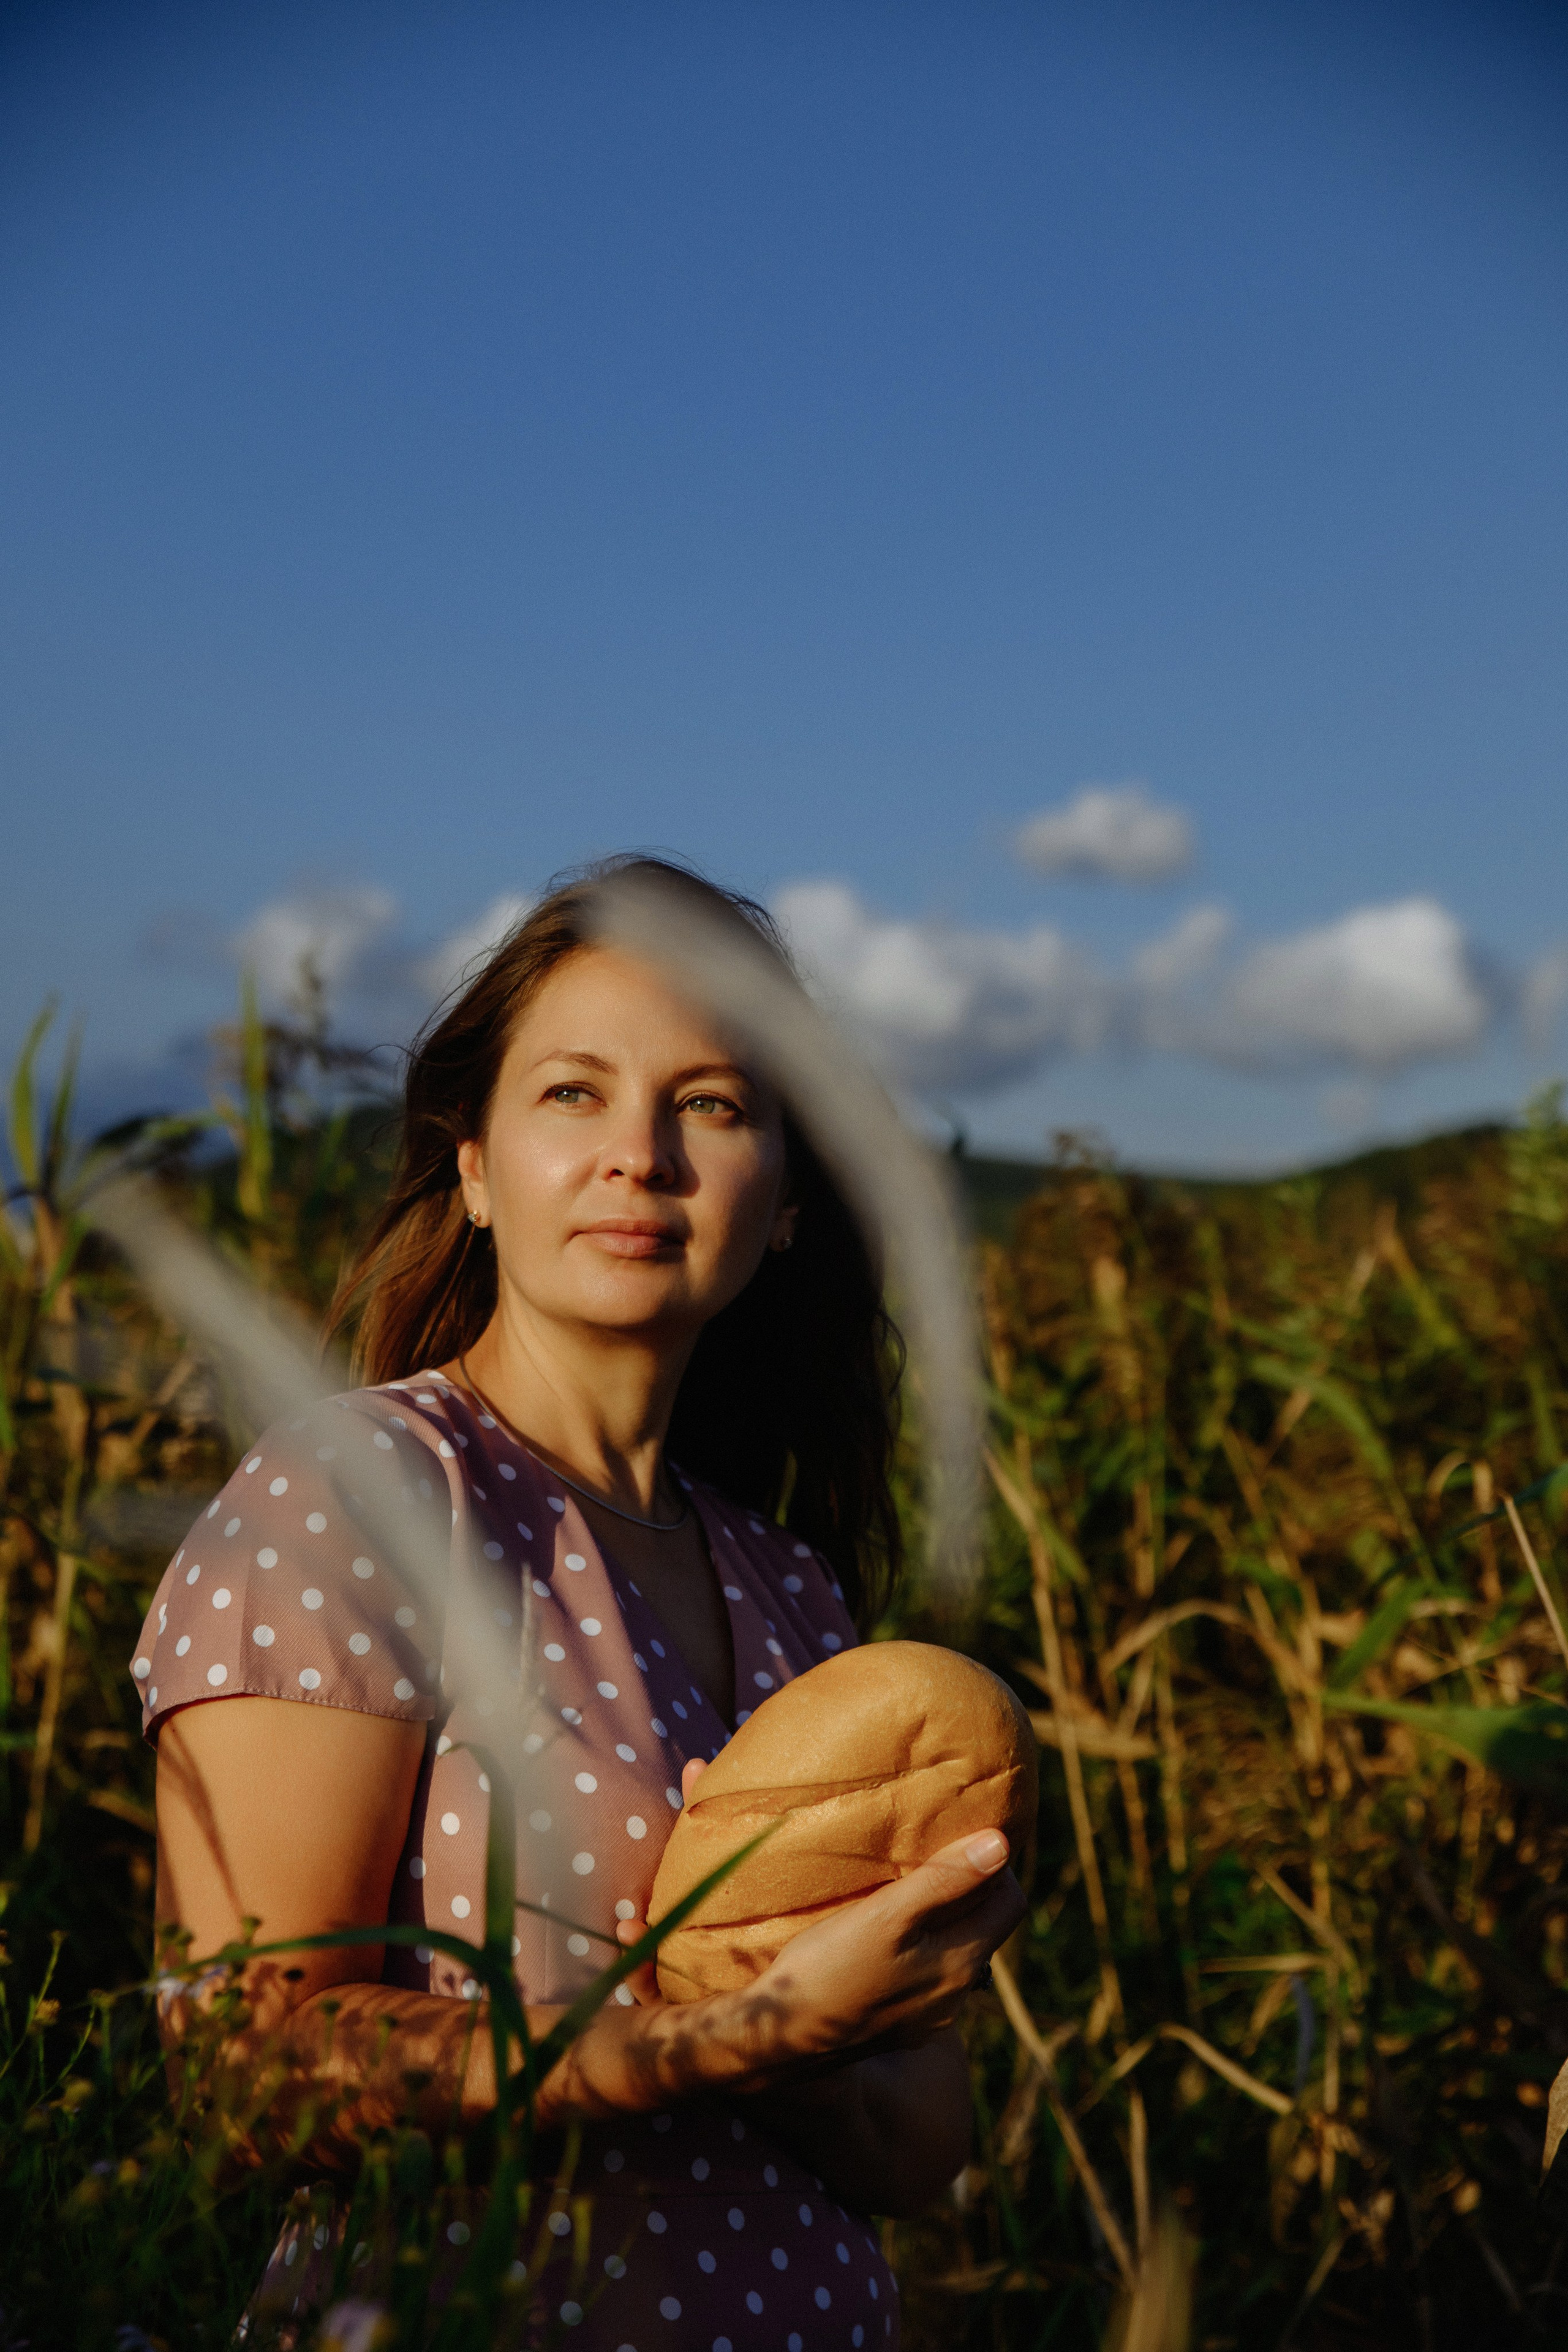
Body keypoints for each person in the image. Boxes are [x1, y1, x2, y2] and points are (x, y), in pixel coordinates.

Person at [134, 857, 1025, 2348]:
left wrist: (810, 2024)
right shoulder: (364, 1495)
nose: (641, 1155)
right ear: (471, 1166)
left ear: (789, 1200)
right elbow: (248, 2078)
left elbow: (921, 2137)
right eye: (571, 1094)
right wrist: (727, 2036)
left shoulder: (790, 1585)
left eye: (714, 1105)